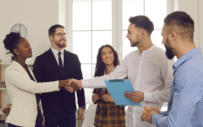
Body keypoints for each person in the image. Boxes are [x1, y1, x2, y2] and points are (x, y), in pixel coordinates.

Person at [67, 16, 174, 127]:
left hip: (149, 122)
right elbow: (110, 78)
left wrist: (145, 96)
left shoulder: (163, 58)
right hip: (129, 121)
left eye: (129, 32)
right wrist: (80, 83)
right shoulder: (129, 58)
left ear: (142, 34)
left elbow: (171, 91)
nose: (127, 36)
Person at [141, 11, 203, 127]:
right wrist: (160, 114)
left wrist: (154, 117)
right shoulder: (197, 63)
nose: (162, 41)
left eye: (163, 36)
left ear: (172, 36)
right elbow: (189, 114)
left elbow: (175, 125)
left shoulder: (188, 71)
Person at [3, 32, 71, 127]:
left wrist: (40, 113)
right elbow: (34, 87)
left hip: (36, 118)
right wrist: (62, 83)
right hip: (21, 121)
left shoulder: (28, 70)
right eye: (26, 46)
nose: (30, 48)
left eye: (29, 45)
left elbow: (35, 96)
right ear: (16, 51)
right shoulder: (11, 71)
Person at [33, 24, 85, 127]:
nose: (63, 36)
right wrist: (39, 112)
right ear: (51, 37)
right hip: (49, 112)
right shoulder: (40, 60)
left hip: (69, 111)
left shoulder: (74, 58)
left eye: (64, 34)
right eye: (59, 34)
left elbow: (80, 82)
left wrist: (81, 106)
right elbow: (36, 88)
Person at [92, 45, 125, 127]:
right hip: (99, 120)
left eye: (110, 52)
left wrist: (113, 99)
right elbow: (95, 92)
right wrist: (94, 97)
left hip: (115, 120)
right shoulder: (98, 74)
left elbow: (129, 98)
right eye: (103, 53)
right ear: (101, 58)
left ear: (114, 55)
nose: (107, 55)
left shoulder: (122, 74)